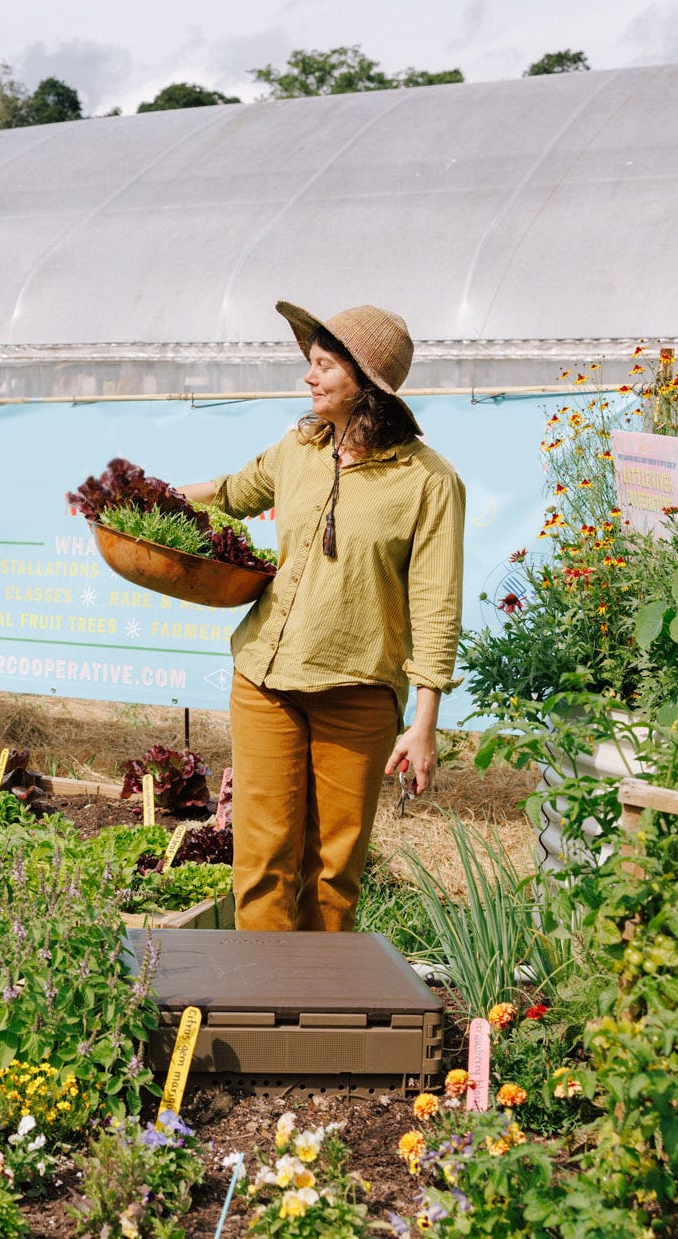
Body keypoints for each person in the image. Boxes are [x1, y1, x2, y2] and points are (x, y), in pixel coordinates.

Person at [175, 303, 464, 932]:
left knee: (333, 872)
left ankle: (314, 1012)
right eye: (311, 362)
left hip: (355, 693)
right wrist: (150, 495)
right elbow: (231, 493)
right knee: (262, 859)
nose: (309, 377)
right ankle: (262, 1009)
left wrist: (425, 723)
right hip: (265, 682)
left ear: (364, 382)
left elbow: (437, 603)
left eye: (324, 365)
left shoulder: (428, 481)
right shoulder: (299, 449)